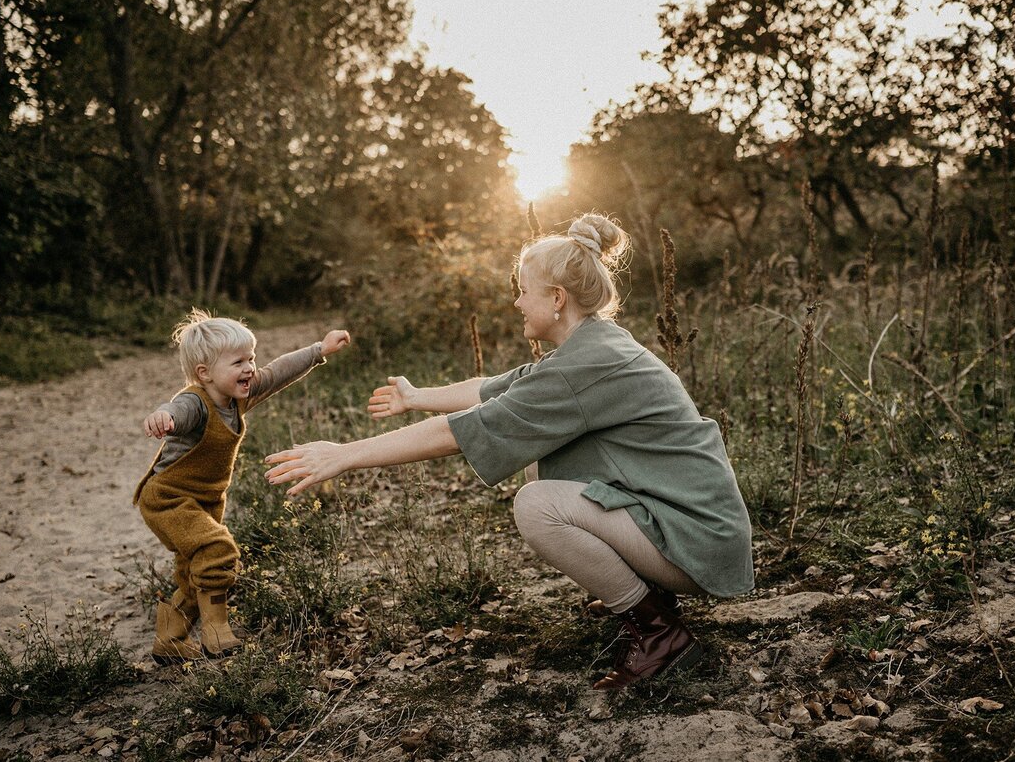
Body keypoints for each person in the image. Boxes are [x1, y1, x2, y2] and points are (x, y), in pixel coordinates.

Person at [264, 214, 753, 690]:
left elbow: (462, 431)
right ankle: (651, 597)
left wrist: (345, 454)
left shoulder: (582, 365)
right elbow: (492, 390)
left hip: (698, 543)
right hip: (692, 528)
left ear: (557, 298)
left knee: (537, 504)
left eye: (523, 290)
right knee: (541, 477)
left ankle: (660, 633)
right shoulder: (590, 348)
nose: (517, 302)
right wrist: (415, 397)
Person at [135, 309, 351, 664]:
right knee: (217, 548)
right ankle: (216, 635)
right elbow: (176, 410)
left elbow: (278, 371)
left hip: (203, 499)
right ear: (205, 373)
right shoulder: (195, 403)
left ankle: (169, 641)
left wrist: (319, 350)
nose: (250, 368)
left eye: (251, 358)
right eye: (238, 362)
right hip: (167, 498)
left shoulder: (238, 398)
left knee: (195, 571)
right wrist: (165, 418)